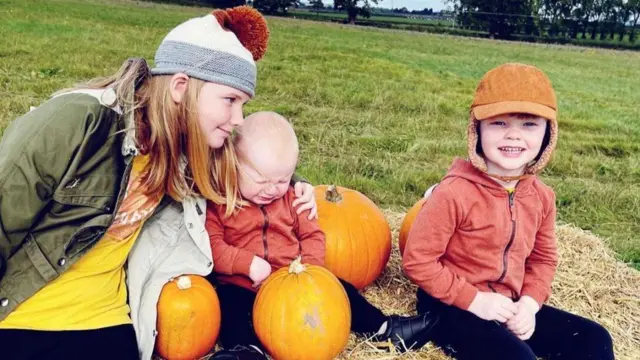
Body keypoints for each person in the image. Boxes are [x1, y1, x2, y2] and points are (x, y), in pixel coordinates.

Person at [0, 7, 317, 360]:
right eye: (230, 100)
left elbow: (249, 162)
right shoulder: (78, 123)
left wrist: (293, 184)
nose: (238, 119)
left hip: (104, 315)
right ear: (181, 86)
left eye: (243, 104)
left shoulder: (190, 146)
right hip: (24, 310)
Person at [402, 63, 615, 360]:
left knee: (593, 339)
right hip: (451, 304)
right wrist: (474, 300)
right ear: (476, 129)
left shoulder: (542, 197)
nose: (513, 136)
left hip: (510, 303)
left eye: (529, 124)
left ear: (547, 135)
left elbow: (543, 259)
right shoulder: (454, 192)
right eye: (499, 123)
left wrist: (529, 304)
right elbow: (418, 261)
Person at [205, 111, 438, 360]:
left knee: (341, 290)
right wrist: (247, 264)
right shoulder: (220, 202)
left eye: (282, 179)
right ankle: (245, 351)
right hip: (243, 285)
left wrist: (310, 272)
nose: (272, 189)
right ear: (233, 163)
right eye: (261, 180)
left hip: (292, 283)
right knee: (230, 306)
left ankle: (385, 329)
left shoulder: (295, 199)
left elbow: (313, 236)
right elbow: (212, 246)